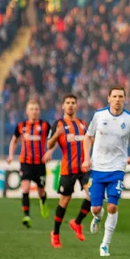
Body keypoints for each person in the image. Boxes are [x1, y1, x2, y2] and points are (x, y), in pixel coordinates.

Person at [81, 86, 130, 257]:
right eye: (114, 96)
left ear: (125, 99)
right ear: (108, 98)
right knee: (95, 208)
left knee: (112, 206)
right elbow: (88, 137)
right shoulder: (99, 115)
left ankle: (105, 245)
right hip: (97, 168)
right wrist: (86, 158)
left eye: (121, 96)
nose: (117, 99)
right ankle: (97, 216)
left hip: (117, 168)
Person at [43, 94, 91, 248]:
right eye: (67, 103)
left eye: (73, 103)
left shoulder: (83, 124)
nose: (70, 105)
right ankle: (55, 233)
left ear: (77, 106)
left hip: (84, 168)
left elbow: (90, 141)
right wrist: (56, 134)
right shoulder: (58, 124)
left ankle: (77, 223)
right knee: (64, 201)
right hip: (68, 169)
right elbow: (49, 144)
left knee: (93, 196)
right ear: (62, 106)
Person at [6, 99, 52, 228]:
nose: (34, 111)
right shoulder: (21, 126)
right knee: (25, 188)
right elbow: (14, 140)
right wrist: (10, 155)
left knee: (41, 191)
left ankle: (43, 202)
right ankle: (26, 215)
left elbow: (54, 139)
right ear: (27, 111)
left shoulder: (45, 125)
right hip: (25, 163)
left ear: (39, 111)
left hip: (40, 164)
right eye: (31, 109)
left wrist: (49, 152)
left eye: (36, 109)